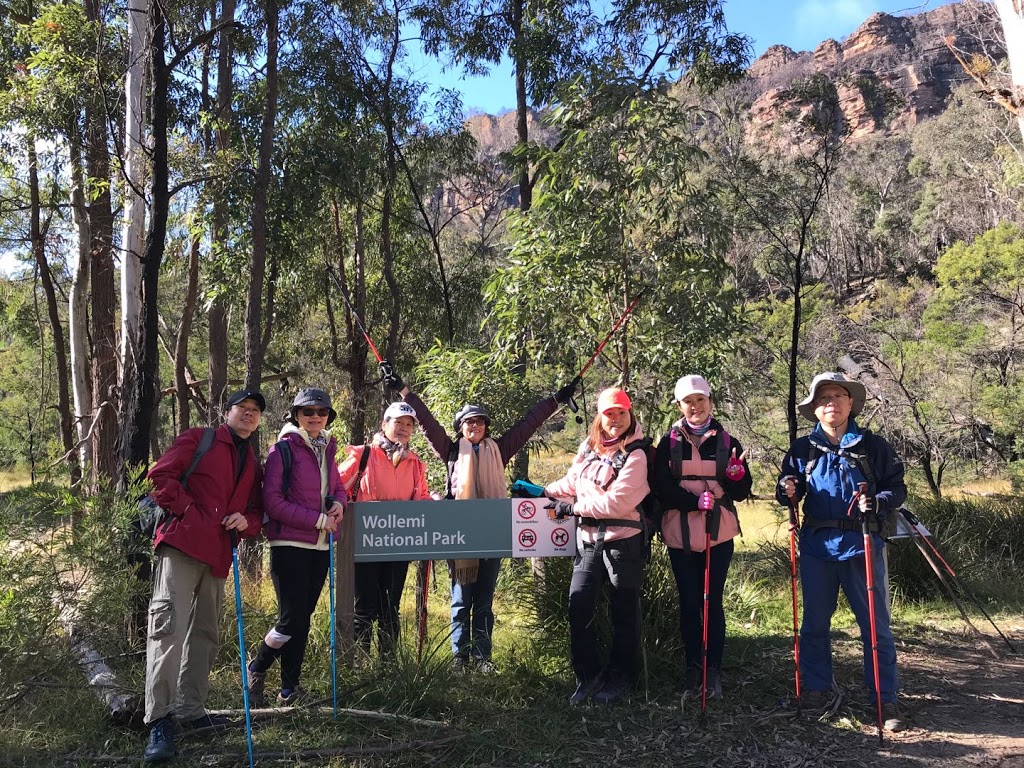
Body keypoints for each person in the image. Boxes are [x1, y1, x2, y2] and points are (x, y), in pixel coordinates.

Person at [381, 360, 579, 673]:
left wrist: (555, 399)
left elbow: (528, 425)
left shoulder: (499, 449)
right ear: (461, 427)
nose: (475, 427)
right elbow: (428, 421)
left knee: (484, 600)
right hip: (459, 533)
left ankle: (482, 657)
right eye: (469, 423)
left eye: (480, 422)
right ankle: (460, 658)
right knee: (461, 598)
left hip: (493, 530)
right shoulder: (449, 450)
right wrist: (403, 390)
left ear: (486, 427)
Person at [776, 372, 907, 731]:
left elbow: (897, 489)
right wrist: (786, 487)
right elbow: (788, 488)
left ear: (851, 403)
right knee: (815, 623)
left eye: (838, 395)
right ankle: (817, 690)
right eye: (823, 398)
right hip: (817, 548)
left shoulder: (873, 445)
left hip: (863, 544)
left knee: (874, 626)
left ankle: (884, 698)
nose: (830, 402)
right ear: (815, 408)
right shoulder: (803, 449)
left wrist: (876, 501)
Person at [142, 389, 266, 764]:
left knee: (206, 635)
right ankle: (159, 721)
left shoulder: (253, 462)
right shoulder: (199, 439)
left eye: (255, 411)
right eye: (242, 408)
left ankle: (191, 711)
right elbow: (160, 477)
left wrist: (246, 521)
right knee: (168, 632)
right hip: (181, 548)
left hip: (218, 558)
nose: (248, 414)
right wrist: (191, 513)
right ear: (226, 412)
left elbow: (257, 511)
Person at [544, 387, 650, 705]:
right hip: (588, 541)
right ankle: (587, 676)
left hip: (623, 543)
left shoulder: (637, 455)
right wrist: (542, 492)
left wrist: (571, 509)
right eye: (609, 413)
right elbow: (572, 483)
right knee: (579, 607)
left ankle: (621, 677)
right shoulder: (589, 448)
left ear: (630, 415)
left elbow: (617, 504)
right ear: (599, 417)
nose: (615, 419)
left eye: (621, 412)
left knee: (624, 613)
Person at [651, 375, 751, 701]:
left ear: (710, 401)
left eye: (700, 400)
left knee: (712, 603)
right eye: (688, 402)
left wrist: (737, 477)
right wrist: (693, 502)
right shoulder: (668, 442)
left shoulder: (726, 441)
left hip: (717, 534)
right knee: (690, 603)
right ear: (679, 406)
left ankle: (713, 671)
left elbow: (741, 489)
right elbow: (661, 487)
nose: (695, 407)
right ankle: (693, 668)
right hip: (680, 534)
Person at [247, 388, 346, 707]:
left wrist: (340, 506)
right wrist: (318, 520)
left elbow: (338, 487)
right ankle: (257, 667)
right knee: (291, 619)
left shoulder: (327, 447)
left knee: (302, 619)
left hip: (320, 546)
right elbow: (272, 503)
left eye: (321, 411)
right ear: (296, 415)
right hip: (288, 543)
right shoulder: (282, 450)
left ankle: (289, 689)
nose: (315, 416)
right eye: (308, 411)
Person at [339, 401, 431, 659]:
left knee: (390, 607)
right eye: (398, 422)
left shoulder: (415, 463)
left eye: (408, 424)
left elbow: (421, 497)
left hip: (399, 545)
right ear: (384, 425)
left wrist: (436, 505)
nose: (403, 428)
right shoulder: (363, 455)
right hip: (365, 543)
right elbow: (336, 489)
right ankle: (358, 664)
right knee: (365, 607)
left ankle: (389, 668)